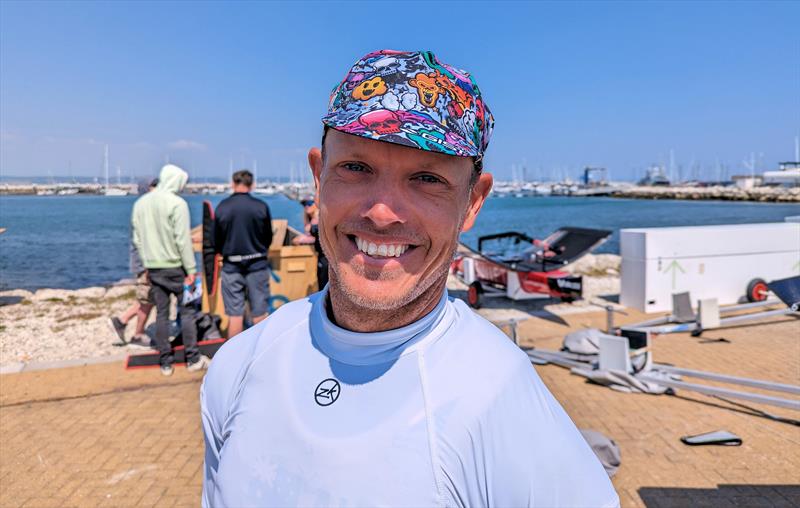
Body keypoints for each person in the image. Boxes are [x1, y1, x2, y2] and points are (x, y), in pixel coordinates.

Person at [201, 50, 619, 507]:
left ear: (473, 203)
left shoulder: (502, 404)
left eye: (427, 178)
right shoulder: (239, 366)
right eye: (356, 168)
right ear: (319, 178)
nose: (381, 213)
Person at [132, 164, 210, 376]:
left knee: (162, 314)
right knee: (187, 312)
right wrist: (191, 269)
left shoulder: (141, 204)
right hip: (177, 267)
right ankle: (192, 358)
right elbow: (182, 240)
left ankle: (165, 361)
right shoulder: (177, 204)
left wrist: (147, 264)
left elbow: (138, 239)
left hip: (154, 267)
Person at [213, 169, 273, 339]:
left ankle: (234, 359)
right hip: (257, 263)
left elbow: (216, 240)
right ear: (252, 185)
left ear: (233, 184)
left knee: (235, 315)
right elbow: (268, 236)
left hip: (232, 266)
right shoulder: (260, 206)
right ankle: (262, 356)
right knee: (260, 314)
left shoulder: (223, 207)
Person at [108, 178, 159, 348]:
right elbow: (144, 240)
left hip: (142, 261)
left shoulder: (142, 207)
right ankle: (135, 332)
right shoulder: (147, 209)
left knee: (148, 297)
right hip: (145, 263)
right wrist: (147, 266)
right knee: (147, 298)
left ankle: (123, 322)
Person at [291, 198, 329, 289]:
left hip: (325, 258)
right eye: (304, 205)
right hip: (320, 256)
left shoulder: (319, 218)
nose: (307, 206)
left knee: (323, 284)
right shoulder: (311, 219)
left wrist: (302, 239)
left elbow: (319, 236)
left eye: (309, 203)